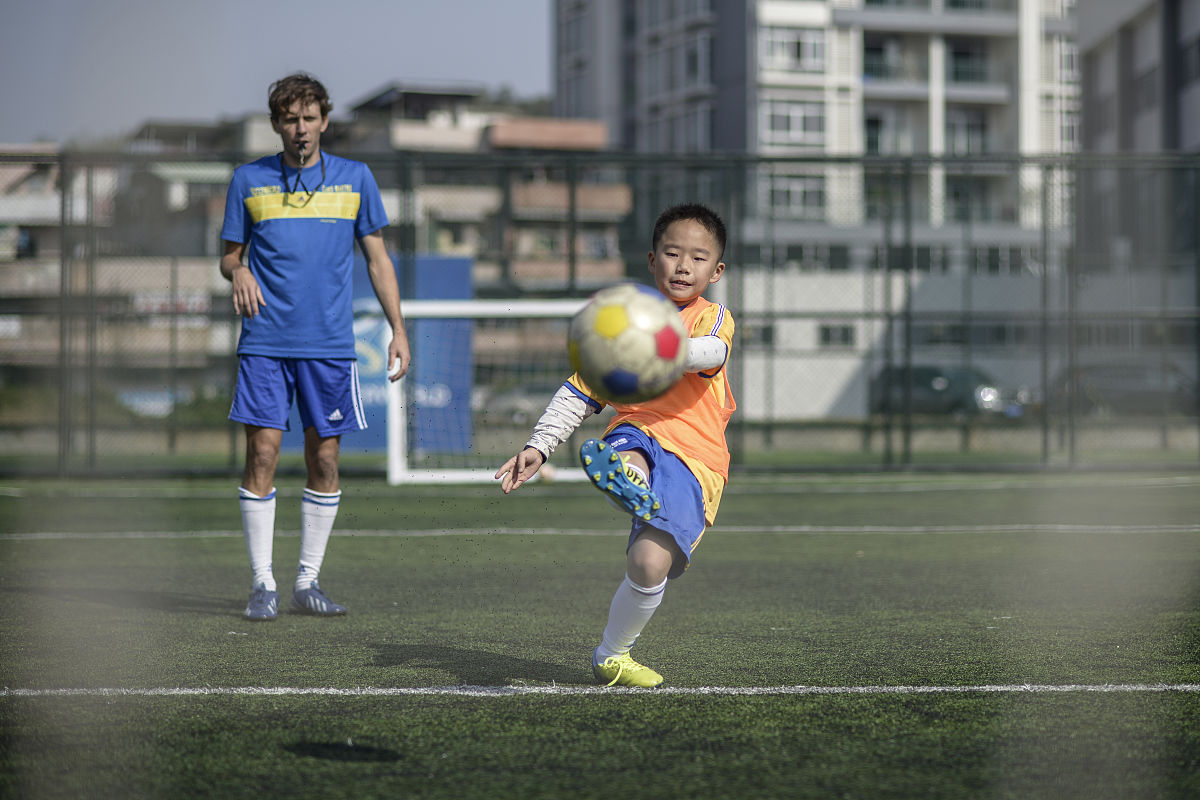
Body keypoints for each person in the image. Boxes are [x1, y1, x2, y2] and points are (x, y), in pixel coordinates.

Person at [495, 203, 735, 687]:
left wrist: (656, 349)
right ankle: (629, 476)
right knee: (628, 446)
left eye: (698, 257)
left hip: (698, 461)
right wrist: (538, 446)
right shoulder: (622, 322)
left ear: (716, 270)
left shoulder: (714, 317)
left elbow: (713, 353)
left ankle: (612, 654)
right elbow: (579, 391)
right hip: (640, 430)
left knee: (649, 564)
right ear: (652, 260)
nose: (683, 266)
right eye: (671, 253)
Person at [219, 73, 411, 621]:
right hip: (264, 342)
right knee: (261, 454)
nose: (300, 129)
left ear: (324, 121)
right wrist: (237, 271)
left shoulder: (356, 179)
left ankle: (308, 581)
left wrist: (398, 329)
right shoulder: (247, 180)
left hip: (329, 346)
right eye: (289, 119)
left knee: (324, 459)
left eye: (308, 118)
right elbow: (229, 256)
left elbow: (378, 259)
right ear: (276, 124)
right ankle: (263, 583)